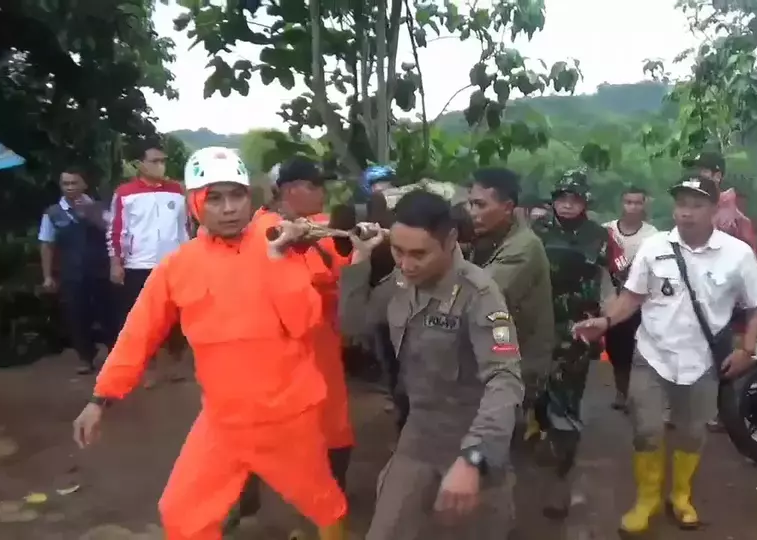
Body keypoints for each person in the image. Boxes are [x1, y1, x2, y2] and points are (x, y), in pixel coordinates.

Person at [71, 147, 348, 540]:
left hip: (289, 417)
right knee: (182, 514)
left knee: (323, 504)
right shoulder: (178, 266)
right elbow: (139, 332)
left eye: (236, 195)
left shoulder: (278, 239)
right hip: (222, 422)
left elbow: (305, 323)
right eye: (214, 198)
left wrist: (277, 258)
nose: (229, 208)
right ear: (194, 202)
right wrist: (100, 399)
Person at [572, 175, 757, 534]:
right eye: (681, 205)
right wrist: (605, 320)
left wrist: (748, 349)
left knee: (692, 434)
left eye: (696, 206)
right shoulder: (654, 246)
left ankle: (680, 496)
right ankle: (646, 500)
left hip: (703, 362)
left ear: (714, 210)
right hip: (652, 355)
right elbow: (632, 296)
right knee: (646, 430)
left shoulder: (737, 254)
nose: (686, 213)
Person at [339, 189, 523, 540]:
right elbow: (354, 326)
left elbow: (505, 379)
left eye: (419, 254)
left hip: (474, 435)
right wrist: (360, 261)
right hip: (419, 435)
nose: (406, 264)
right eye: (398, 251)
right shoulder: (401, 280)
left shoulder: (479, 295)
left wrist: (475, 458)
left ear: (450, 240)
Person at [227, 156, 354, 531]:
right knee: (319, 429)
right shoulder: (274, 231)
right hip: (297, 346)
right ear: (289, 190)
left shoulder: (291, 227)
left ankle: (254, 500)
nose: (323, 192)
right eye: (315, 186)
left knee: (322, 429)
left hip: (310, 344)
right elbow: (321, 280)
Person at [529, 168, 616, 519]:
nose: (566, 205)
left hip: (579, 330)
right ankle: (542, 433)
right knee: (536, 395)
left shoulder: (601, 237)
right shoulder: (536, 233)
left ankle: (560, 485)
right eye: (561, 198)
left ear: (585, 202)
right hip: (538, 327)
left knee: (567, 406)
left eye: (574, 199)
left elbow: (621, 278)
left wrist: (609, 317)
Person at [465, 167, 555, 403]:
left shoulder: (523, 247)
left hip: (518, 367)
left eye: (480, 205)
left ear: (507, 207)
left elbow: (477, 296)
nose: (472, 212)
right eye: (470, 204)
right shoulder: (491, 237)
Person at [686, 151, 757, 431]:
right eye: (696, 172)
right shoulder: (700, 207)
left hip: (723, 295)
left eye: (704, 172)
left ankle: (723, 412)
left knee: (721, 352)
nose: (699, 176)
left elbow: (745, 258)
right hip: (696, 292)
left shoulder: (730, 216)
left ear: (717, 175)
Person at [107, 140, 190, 386]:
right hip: (138, 265)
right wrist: (116, 262)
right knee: (145, 319)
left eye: (163, 161)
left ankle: (174, 361)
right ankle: (150, 368)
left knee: (178, 318)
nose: (160, 166)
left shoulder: (176, 191)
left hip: (173, 265)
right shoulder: (125, 193)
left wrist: (187, 258)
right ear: (139, 164)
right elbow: (117, 230)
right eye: (155, 161)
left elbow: (184, 228)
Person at [38, 167, 115, 374]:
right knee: (77, 315)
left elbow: (113, 231)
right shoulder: (52, 213)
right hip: (71, 273)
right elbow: (47, 244)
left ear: (84, 185)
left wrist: (89, 212)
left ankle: (115, 354)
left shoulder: (100, 207)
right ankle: (85, 357)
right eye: (66, 184)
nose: (70, 188)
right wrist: (47, 276)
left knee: (108, 315)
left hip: (102, 271)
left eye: (74, 183)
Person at [601, 186, 658, 410]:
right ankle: (621, 392)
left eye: (637, 202)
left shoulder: (652, 235)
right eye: (628, 202)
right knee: (617, 351)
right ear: (621, 204)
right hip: (613, 301)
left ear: (644, 205)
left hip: (642, 302)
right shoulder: (607, 231)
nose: (632, 207)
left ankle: (642, 396)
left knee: (642, 351)